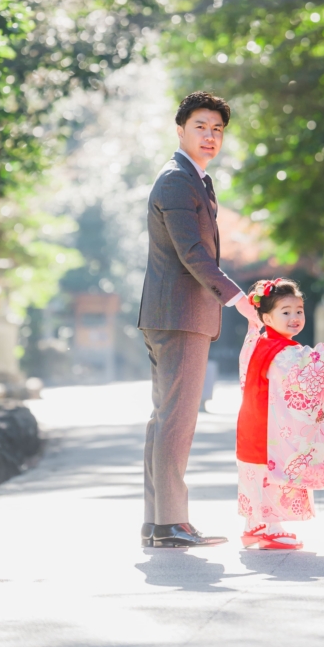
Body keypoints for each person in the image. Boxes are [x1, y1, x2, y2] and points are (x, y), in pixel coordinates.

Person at [138, 91, 258, 549]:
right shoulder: (175, 181)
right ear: (180, 130)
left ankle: (158, 522)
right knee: (175, 421)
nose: (210, 136)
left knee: (165, 418)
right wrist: (235, 297)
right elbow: (192, 253)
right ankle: (170, 523)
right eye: (201, 127)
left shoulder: (195, 180)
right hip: (180, 316)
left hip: (175, 315)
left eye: (218, 130)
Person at [236, 278, 324, 550]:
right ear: (267, 317)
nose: (295, 317)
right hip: (269, 430)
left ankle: (253, 524)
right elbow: (309, 368)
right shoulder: (282, 351)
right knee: (274, 473)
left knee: (255, 474)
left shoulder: (257, 341)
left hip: (252, 423)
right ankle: (272, 528)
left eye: (299, 311)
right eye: (285, 312)